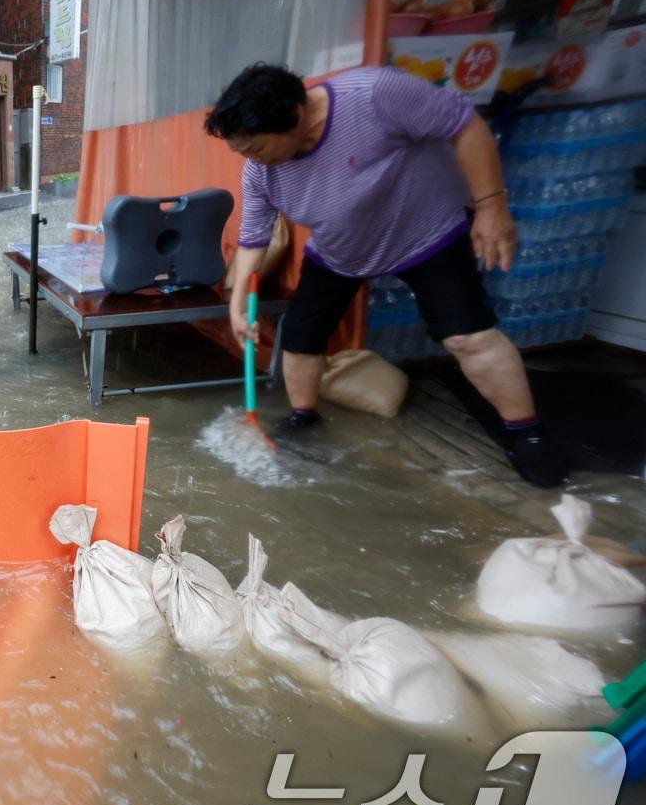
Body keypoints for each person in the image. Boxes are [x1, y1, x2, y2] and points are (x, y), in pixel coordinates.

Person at [206, 62, 567, 488]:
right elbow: (254, 237)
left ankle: (526, 433)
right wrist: (235, 304)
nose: (252, 160)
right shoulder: (261, 170)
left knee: (467, 336)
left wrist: (491, 207)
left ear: (295, 115)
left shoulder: (374, 94)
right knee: (301, 336)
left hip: (428, 234)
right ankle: (303, 418)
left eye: (255, 148)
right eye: (243, 152)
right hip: (340, 251)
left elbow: (464, 125)